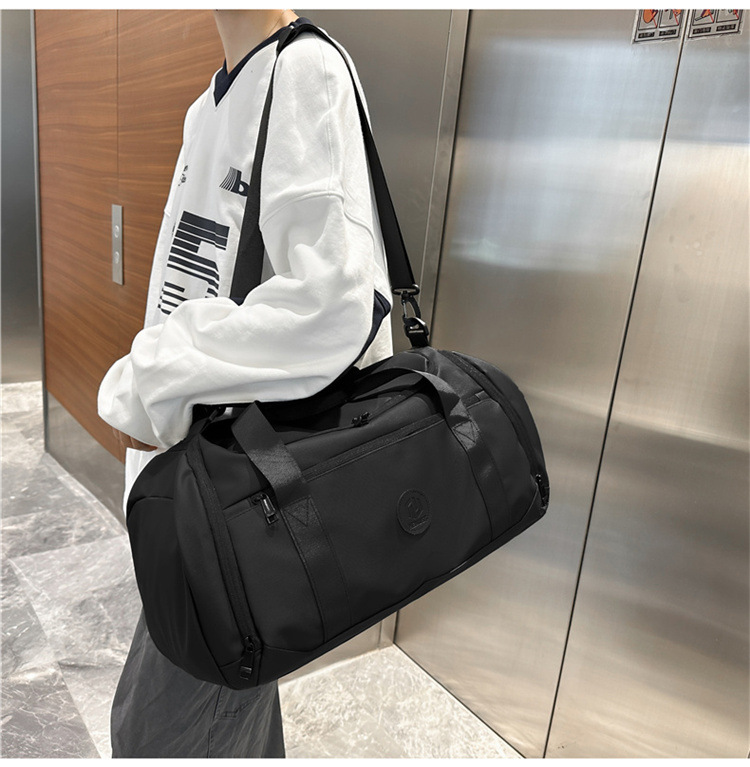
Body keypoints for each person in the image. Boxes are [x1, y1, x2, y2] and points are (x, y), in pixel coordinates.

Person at [97, 9, 394, 758]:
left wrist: (154, 376)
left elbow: (333, 302)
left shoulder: (304, 70)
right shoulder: (210, 104)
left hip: (237, 495)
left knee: (152, 732)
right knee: (231, 714)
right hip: (197, 483)